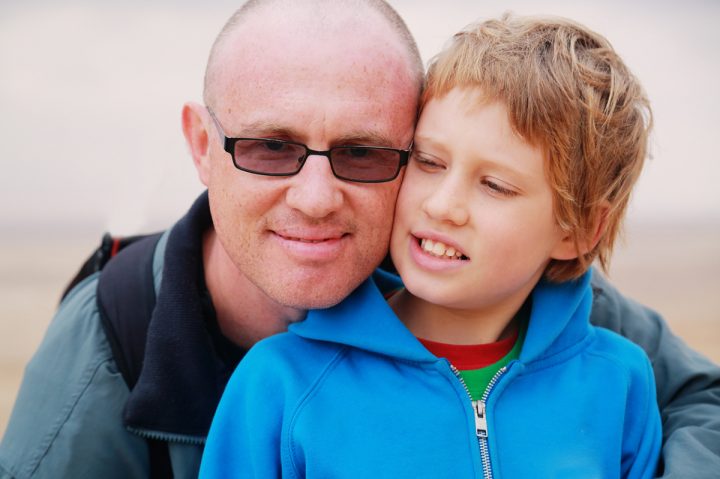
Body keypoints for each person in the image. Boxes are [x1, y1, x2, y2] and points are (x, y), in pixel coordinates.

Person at [0, 1, 717, 478]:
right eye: (271, 146)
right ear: (201, 144)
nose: (316, 198)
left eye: (364, 153)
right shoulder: (122, 365)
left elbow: (695, 397)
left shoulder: (598, 351)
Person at [198, 13, 663, 478]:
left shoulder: (619, 383)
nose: (444, 206)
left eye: (496, 185)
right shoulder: (280, 385)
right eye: (429, 161)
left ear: (578, 231)